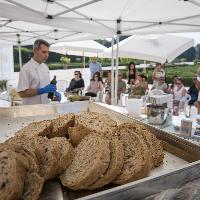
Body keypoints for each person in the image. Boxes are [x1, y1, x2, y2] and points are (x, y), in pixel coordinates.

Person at [17, 39, 61, 105]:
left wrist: (53, 94)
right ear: (35, 51)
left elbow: (46, 89)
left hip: (46, 106)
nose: (47, 55)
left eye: (47, 52)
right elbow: (21, 93)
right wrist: (41, 90)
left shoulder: (45, 67)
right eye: (44, 52)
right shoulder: (26, 69)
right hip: (31, 109)